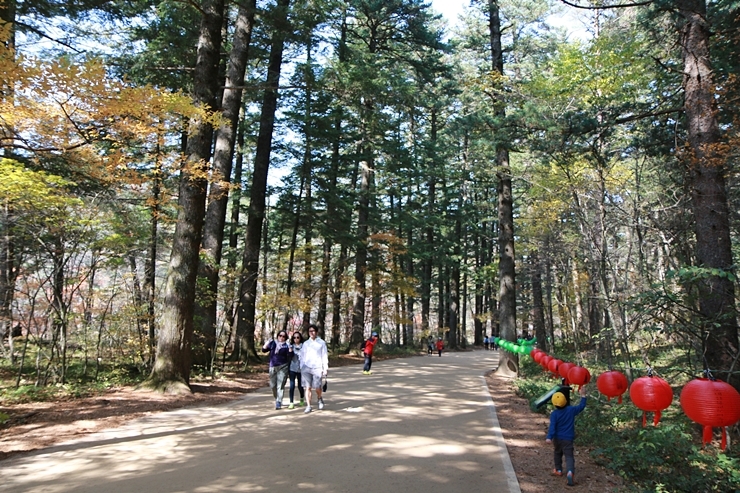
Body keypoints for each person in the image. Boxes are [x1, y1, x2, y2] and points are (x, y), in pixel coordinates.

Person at [546, 385, 588, 486]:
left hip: (557, 438)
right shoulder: (571, 410)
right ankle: (570, 472)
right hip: (568, 439)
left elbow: (552, 427)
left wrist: (549, 437)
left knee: (557, 453)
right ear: (565, 401)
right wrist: (583, 396)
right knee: (569, 456)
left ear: (554, 404)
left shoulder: (554, 414)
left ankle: (558, 469)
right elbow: (581, 407)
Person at [300, 324, 328, 414]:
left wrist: (325, 368)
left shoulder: (321, 343)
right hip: (306, 368)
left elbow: (324, 355)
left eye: (313, 331)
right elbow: (302, 356)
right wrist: (302, 366)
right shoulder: (306, 344)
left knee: (317, 387)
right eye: (310, 331)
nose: (311, 333)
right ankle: (308, 406)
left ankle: (320, 398)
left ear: (316, 332)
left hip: (317, 367)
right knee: (307, 387)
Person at [262, 330, 291, 409]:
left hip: (283, 366)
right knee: (273, 385)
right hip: (272, 366)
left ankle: (279, 401)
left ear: (286, 338)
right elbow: (264, 350)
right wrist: (267, 343)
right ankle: (276, 398)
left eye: (283, 336)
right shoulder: (273, 343)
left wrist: (289, 347)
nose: (281, 338)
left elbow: (290, 355)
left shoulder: (286, 345)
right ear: (277, 336)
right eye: (280, 336)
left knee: (280, 385)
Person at [287, 331, 306, 409]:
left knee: (300, 386)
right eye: (294, 337)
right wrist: (290, 351)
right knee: (291, 386)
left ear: (300, 338)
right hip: (292, 368)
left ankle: (302, 398)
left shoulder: (304, 346)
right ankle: (291, 402)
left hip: (301, 369)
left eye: (298, 337)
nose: (296, 339)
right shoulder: (291, 346)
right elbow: (289, 356)